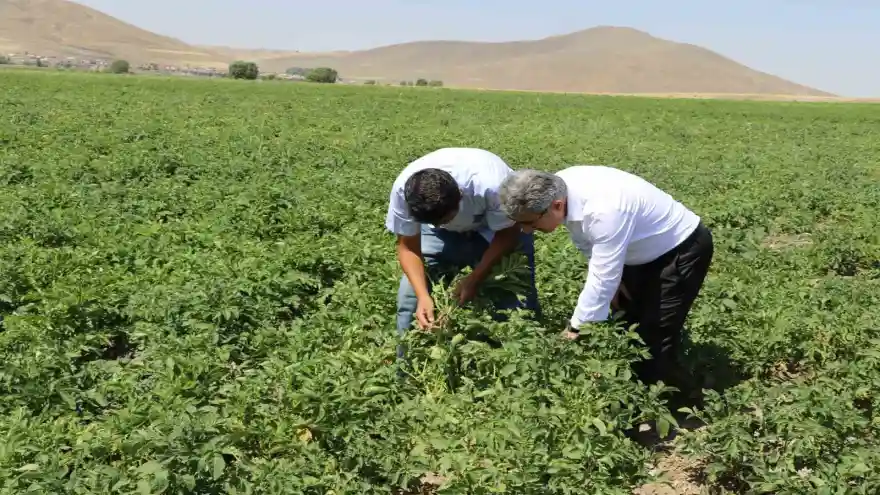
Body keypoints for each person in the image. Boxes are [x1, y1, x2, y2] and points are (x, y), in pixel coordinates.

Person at [497, 165, 714, 387]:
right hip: (635, 250)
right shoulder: (557, 187)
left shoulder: (605, 210)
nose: (526, 231)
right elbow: (589, 242)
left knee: (655, 336)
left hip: (679, 249)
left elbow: (603, 276)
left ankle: (677, 402)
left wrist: (575, 328)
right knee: (627, 323)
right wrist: (613, 280)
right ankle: (634, 388)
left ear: (557, 205)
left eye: (530, 223)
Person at [386, 148, 541, 355]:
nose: (440, 225)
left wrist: (475, 278)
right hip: (440, 235)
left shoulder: (494, 185)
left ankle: (522, 360)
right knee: (410, 299)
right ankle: (404, 371)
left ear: (460, 195)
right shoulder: (405, 192)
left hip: (496, 228)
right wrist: (423, 296)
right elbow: (407, 247)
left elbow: (508, 233)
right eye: (433, 222)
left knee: (517, 301)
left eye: (445, 219)